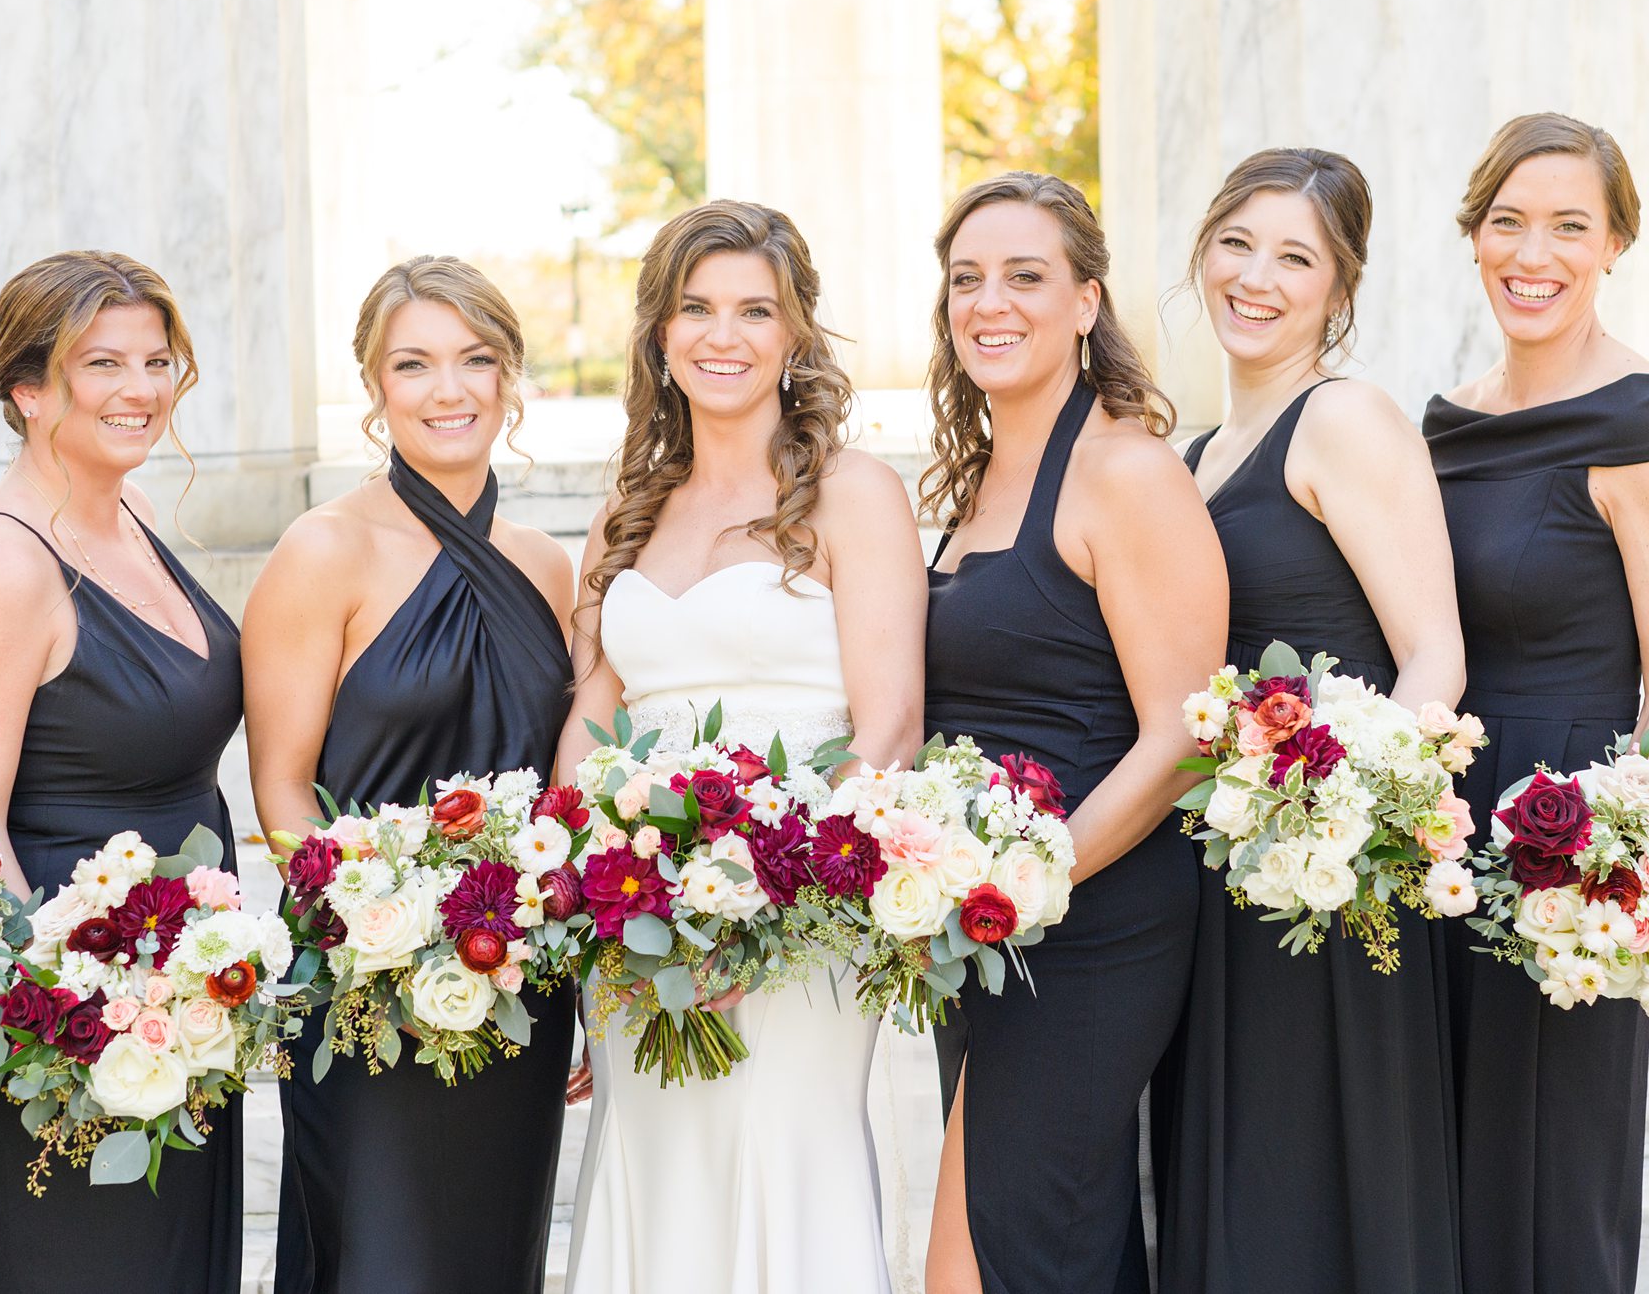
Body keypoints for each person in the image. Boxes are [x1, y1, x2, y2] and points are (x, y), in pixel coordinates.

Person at [557, 200, 927, 1294]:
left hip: (802, 919)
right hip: (638, 923)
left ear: (796, 333)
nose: (725, 335)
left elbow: (890, 723)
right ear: (661, 336)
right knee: (653, 1160)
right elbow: (591, 717)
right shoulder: (628, 506)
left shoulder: (854, 494)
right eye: (698, 308)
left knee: (783, 1155)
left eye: (755, 310)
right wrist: (599, 890)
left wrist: (755, 914)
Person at [1155, 149, 1465, 1292]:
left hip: (1333, 880)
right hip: (1226, 870)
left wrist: (1339, 814)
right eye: (1238, 242)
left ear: (1340, 289)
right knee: (1245, 1181)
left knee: (1323, 1179)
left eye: (1297, 257)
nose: (1257, 276)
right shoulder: (1193, 454)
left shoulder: (1345, 419)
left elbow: (1435, 647)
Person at [918, 171, 1227, 1294]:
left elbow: (1181, 737)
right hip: (983, 927)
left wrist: (1023, 878)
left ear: (1087, 303)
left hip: (1096, 924)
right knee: (1043, 1245)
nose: (989, 303)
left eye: (1025, 277)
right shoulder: (975, 474)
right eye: (966, 280)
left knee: (994, 1254)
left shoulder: (1128, 472)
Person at [1426, 113, 1649, 1294]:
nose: (1531, 252)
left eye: (1568, 225)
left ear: (1613, 246)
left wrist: (1621, 876)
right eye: (1507, 222)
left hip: (1568, 846)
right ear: (1475, 236)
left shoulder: (1645, 425)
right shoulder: (1439, 424)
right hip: (1438, 834)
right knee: (1447, 1164)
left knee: (1552, 1174)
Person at [248, 257, 577, 1294]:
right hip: (368, 992)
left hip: (517, 983)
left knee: (494, 1255)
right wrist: (382, 928)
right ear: (374, 386)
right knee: (378, 1260)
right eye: (415, 363)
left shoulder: (545, 563)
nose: (450, 389)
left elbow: (560, 787)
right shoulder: (323, 549)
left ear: (509, 378)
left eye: (477, 360)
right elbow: (282, 790)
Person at [0, 251, 246, 1294]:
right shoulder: (3, 559)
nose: (143, 389)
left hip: (188, 999)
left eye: (157, 360)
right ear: (27, 390)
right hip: (76, 1021)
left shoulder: (136, 511)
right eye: (102, 363)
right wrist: (75, 1025)